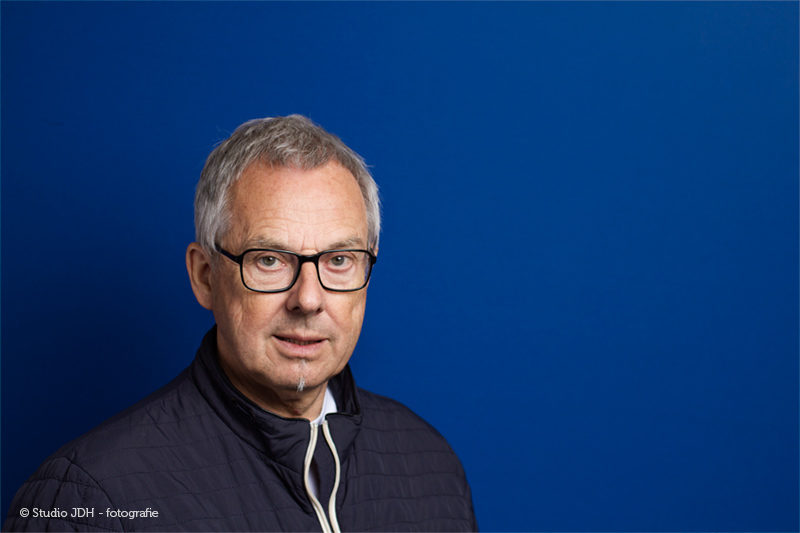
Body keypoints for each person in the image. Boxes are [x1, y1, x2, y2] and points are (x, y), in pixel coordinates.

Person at [4, 115, 477, 532]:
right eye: (269, 259)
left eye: (339, 259)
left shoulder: (429, 465)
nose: (308, 300)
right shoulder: (86, 499)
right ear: (205, 277)